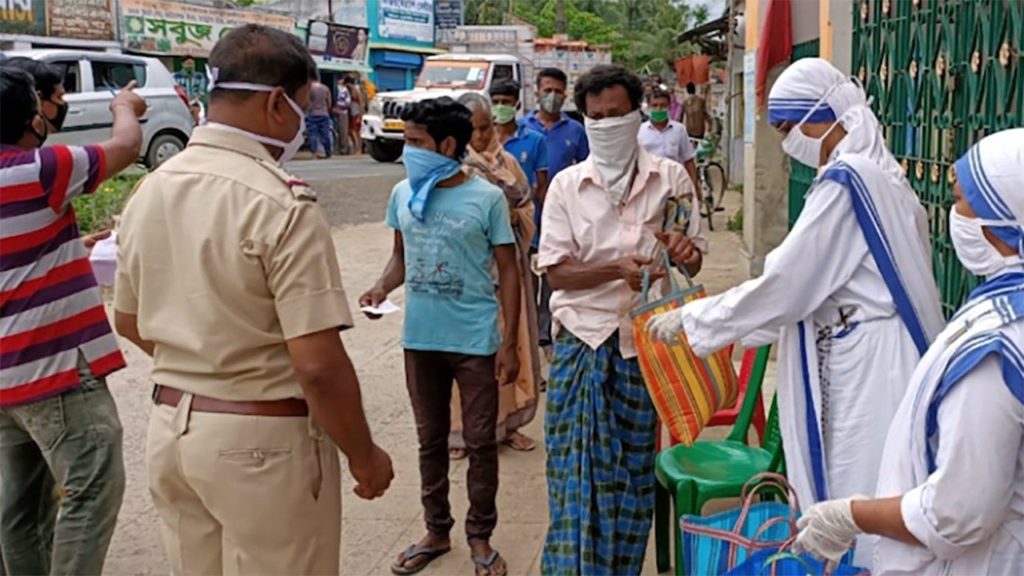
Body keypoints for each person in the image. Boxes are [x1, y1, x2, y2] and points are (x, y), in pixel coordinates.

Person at [112, 25, 393, 575]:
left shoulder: (154, 188)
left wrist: (207, 364)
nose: (301, 122)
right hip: (263, 441)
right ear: (275, 103)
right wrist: (364, 455)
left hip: (173, 430)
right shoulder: (281, 204)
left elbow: (128, 319)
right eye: (303, 104)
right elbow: (317, 366)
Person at [647, 57, 945, 566]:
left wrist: (698, 321)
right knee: (861, 482)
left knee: (860, 482)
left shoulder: (848, 183)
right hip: (864, 348)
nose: (787, 142)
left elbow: (787, 284)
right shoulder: (876, 171)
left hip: (870, 362)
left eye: (788, 128)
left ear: (822, 115)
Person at [793, 128, 1024, 575]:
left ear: (1002, 226)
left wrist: (849, 515)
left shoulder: (995, 350)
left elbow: (957, 515)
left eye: (960, 200)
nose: (951, 212)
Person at [538, 65, 706, 575]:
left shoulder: (670, 177)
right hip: (581, 345)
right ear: (585, 120)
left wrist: (679, 249)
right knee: (576, 478)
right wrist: (612, 269)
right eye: (596, 117)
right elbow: (557, 274)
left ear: (637, 115)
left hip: (644, 347)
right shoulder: (568, 186)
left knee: (633, 478)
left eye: (616, 114)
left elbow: (694, 258)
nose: (607, 123)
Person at [359, 97, 519, 576]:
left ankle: (480, 536)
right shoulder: (402, 194)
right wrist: (381, 286)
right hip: (420, 339)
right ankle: (436, 530)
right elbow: (401, 258)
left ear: (447, 144)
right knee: (429, 439)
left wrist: (509, 344)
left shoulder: (486, 198)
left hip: (474, 340)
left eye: (415, 142)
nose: (407, 151)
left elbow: (509, 272)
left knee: (479, 442)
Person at [0, 65, 145, 575]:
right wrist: (124, 108)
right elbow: (126, 148)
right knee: (93, 486)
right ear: (33, 116)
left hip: (6, 378)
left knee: (18, 510)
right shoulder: (38, 170)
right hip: (53, 367)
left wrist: (64, 251)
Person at [447, 92, 540, 459]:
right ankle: (458, 433)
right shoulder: (451, 167)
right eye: (473, 130)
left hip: (507, 274)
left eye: (486, 128)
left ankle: (509, 425)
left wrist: (513, 219)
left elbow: (527, 205)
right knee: (466, 356)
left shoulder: (509, 163)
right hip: (469, 280)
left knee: (509, 348)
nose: (481, 137)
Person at [522, 67, 588, 359]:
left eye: (558, 91)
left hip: (563, 221)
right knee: (525, 281)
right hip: (526, 221)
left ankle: (548, 336)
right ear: (537, 91)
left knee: (554, 280)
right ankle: (529, 336)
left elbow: (590, 171)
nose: (552, 96)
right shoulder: (522, 129)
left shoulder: (576, 131)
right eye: (547, 90)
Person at [489, 78, 548, 207]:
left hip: (521, 213)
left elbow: (542, 186)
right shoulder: (483, 139)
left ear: (518, 105)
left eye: (506, 102)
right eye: (495, 102)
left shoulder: (535, 140)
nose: (500, 106)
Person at [638, 85, 700, 192]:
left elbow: (688, 160)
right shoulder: (639, 131)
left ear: (669, 106)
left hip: (675, 185)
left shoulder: (679, 130)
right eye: (655, 105)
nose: (659, 109)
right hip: (648, 187)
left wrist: (694, 186)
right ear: (648, 107)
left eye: (663, 105)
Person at [305, 77, 333, 158]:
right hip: (324, 114)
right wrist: (327, 110)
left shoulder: (309, 89)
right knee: (325, 134)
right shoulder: (325, 88)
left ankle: (314, 152)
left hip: (312, 114)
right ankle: (328, 152)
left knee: (313, 134)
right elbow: (329, 103)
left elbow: (306, 101)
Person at [345, 76, 363, 155]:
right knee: (351, 131)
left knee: (356, 132)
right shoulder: (350, 91)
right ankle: (357, 148)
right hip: (352, 113)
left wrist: (360, 115)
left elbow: (361, 104)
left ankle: (358, 148)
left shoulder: (356, 91)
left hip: (356, 113)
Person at [334, 76, 351, 155]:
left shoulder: (345, 90)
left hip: (343, 113)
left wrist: (339, 107)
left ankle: (344, 149)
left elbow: (348, 103)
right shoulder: (336, 88)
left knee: (343, 131)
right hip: (336, 112)